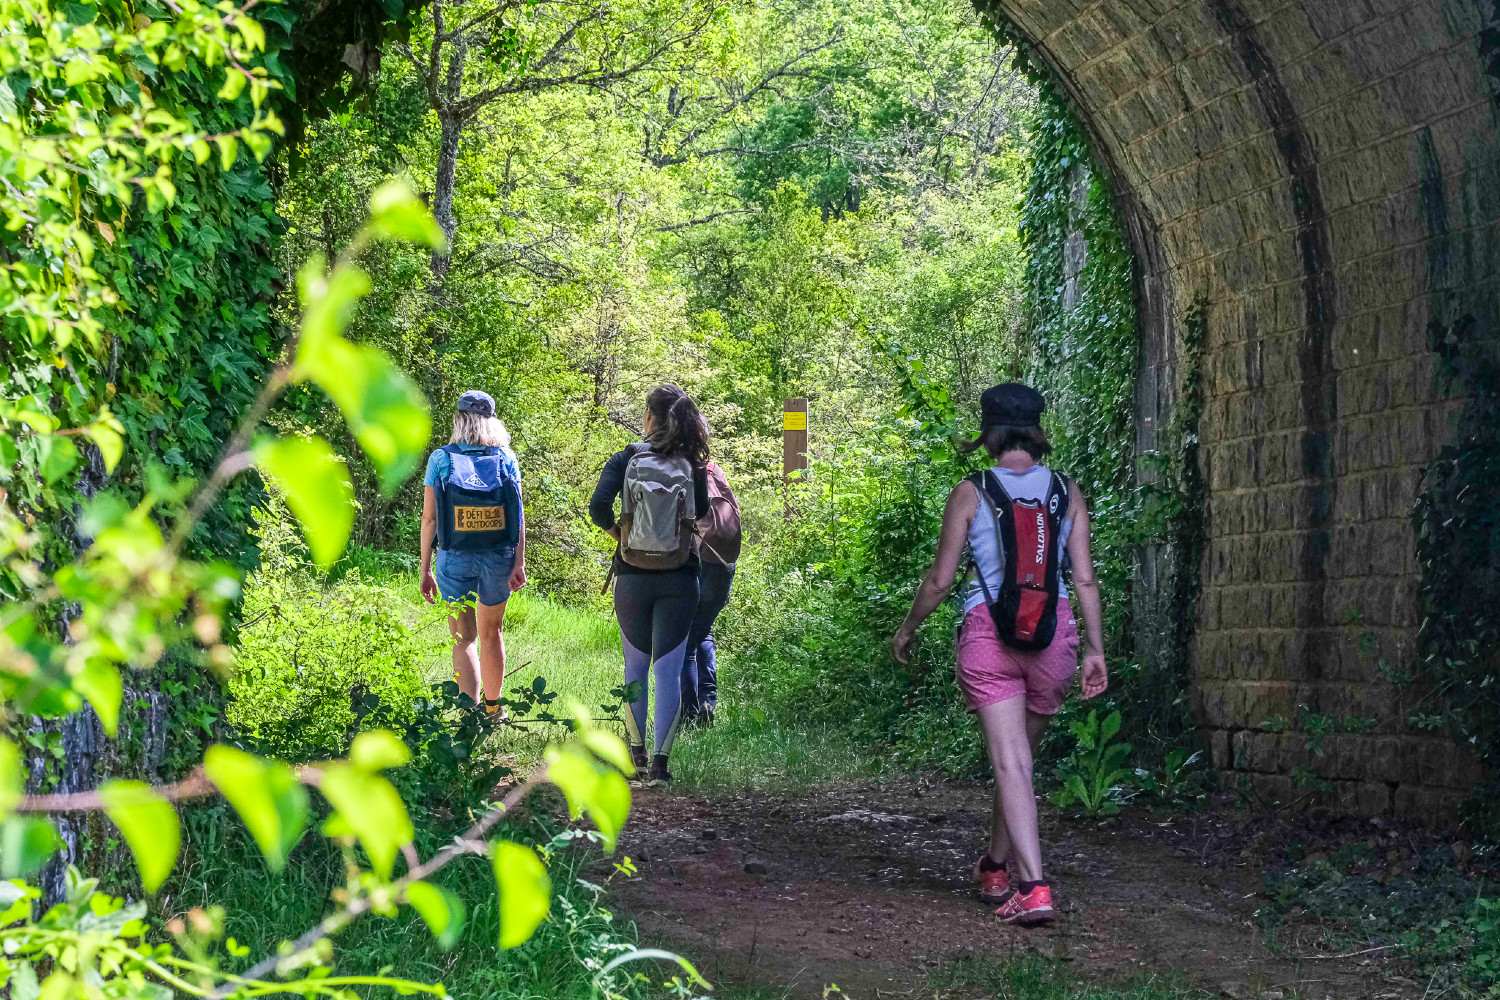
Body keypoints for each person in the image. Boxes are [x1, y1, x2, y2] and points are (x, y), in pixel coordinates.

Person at [891, 383, 1107, 927]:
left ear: (989, 433)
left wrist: (909, 628)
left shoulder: (971, 491)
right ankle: (994, 867)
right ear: (1036, 432)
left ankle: (1034, 888)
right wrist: (1095, 651)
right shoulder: (1067, 492)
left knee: (1011, 765)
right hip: (1053, 637)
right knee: (1020, 765)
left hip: (989, 634)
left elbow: (941, 579)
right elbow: (1083, 578)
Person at [590, 385, 712, 785]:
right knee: (670, 671)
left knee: (635, 669)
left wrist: (622, 539)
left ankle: (635, 756)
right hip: (680, 578)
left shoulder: (626, 458)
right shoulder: (692, 464)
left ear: (650, 418)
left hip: (633, 577)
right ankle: (661, 766)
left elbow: (597, 508)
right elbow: (704, 511)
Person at [420, 390, 526, 717]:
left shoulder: (441, 458)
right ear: (492, 421)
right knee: (492, 632)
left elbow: (429, 518)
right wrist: (519, 562)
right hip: (498, 556)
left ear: (458, 419)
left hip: (454, 556)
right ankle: (493, 711)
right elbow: (518, 515)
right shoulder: (506, 458)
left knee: (463, 639)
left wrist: (425, 567)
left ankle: (469, 717)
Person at [681, 459, 740, 726]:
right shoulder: (714, 469)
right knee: (704, 631)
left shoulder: (678, 470)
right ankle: (709, 702)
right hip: (723, 562)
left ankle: (689, 713)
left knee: (685, 642)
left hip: (696, 561)